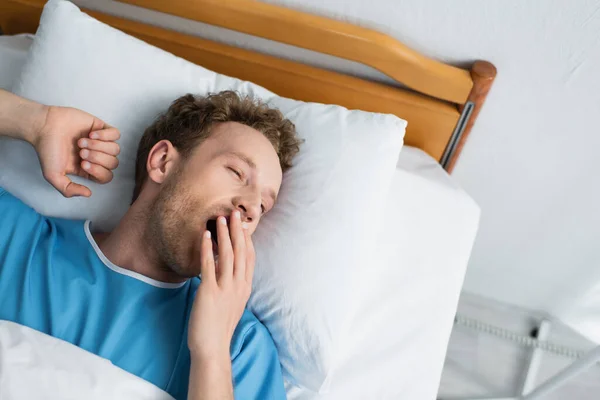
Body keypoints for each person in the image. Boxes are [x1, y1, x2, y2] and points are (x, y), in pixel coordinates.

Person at [0, 88, 302, 399]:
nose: (251, 207)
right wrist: (36, 121)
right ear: (161, 162)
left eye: (263, 206)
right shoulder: (17, 242)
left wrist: (211, 355)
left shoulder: (240, 347)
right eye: (237, 172)